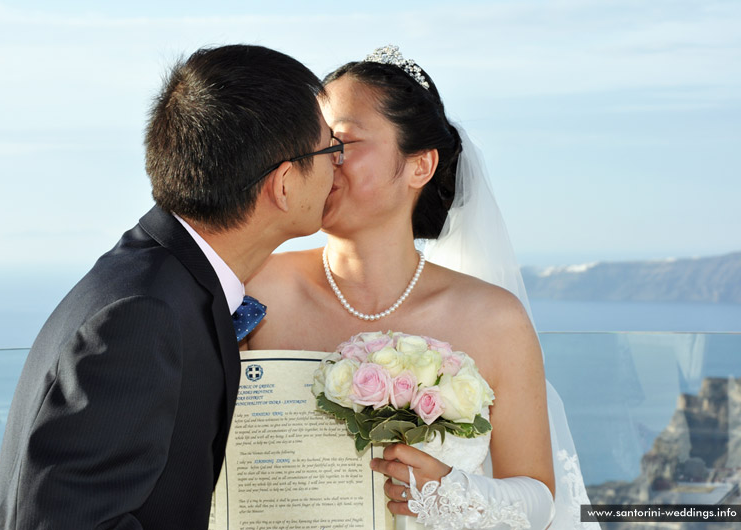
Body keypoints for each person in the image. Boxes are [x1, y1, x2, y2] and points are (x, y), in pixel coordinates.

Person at [0, 44, 338, 530]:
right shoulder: (141, 316)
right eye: (330, 149)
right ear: (283, 185)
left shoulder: (162, 281)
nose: (337, 165)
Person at [245, 45, 596, 529]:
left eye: (341, 143)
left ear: (420, 166)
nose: (321, 161)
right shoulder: (252, 291)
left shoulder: (495, 319)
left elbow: (538, 498)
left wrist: (450, 493)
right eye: (313, 143)